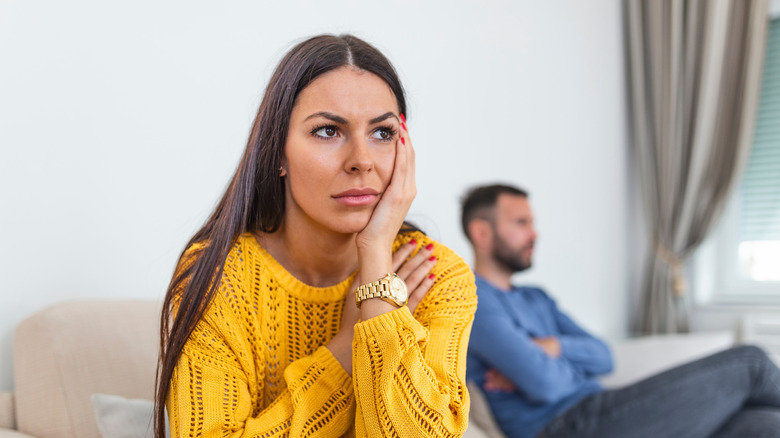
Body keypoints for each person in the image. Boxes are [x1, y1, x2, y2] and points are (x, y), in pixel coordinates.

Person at [153, 34, 478, 438]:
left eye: (382, 133)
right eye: (327, 131)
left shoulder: (433, 273)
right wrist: (345, 351)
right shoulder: (220, 276)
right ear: (277, 153)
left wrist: (376, 263)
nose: (361, 160)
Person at [461, 183, 780, 438]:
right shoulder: (473, 301)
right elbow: (547, 385)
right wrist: (559, 365)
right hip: (566, 426)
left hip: (602, 409)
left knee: (765, 424)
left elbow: (605, 356)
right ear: (482, 233)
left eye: (533, 222)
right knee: (750, 363)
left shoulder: (537, 298)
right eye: (521, 223)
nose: (535, 233)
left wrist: (555, 347)